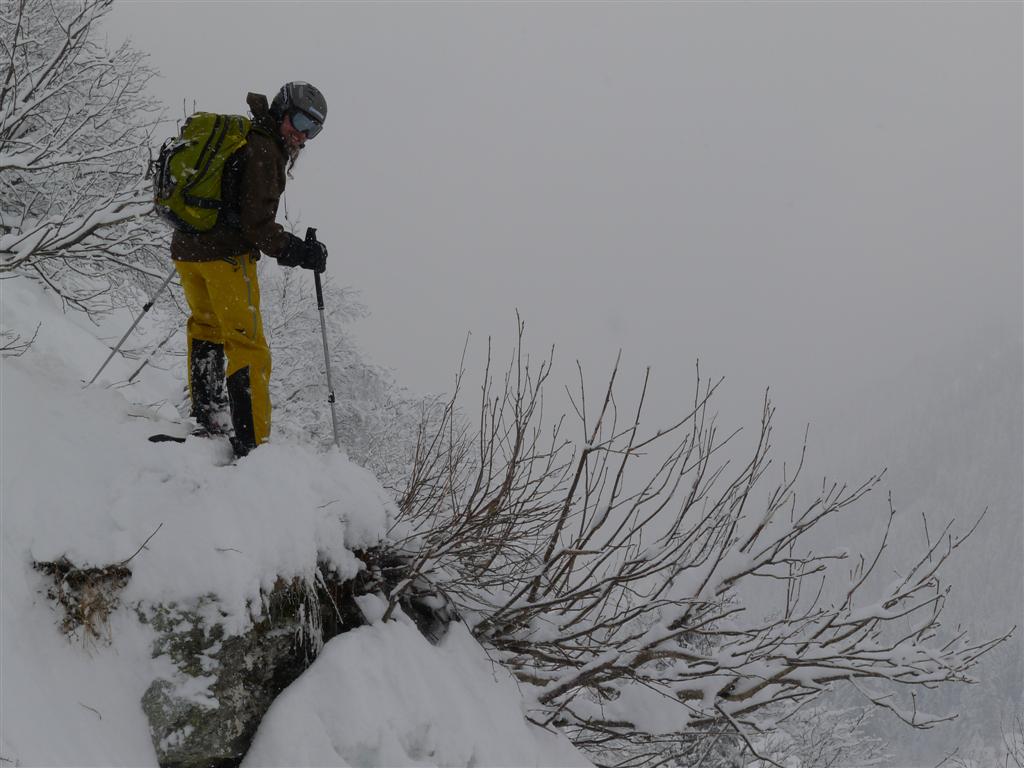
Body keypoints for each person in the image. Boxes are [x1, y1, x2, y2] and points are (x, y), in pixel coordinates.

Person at [170, 82, 329, 458]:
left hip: (188, 250)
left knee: (206, 326)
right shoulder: (265, 149)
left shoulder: (242, 136)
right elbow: (257, 226)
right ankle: (252, 444)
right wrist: (300, 251)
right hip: (225, 258)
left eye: (314, 129)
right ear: (282, 111)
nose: (303, 135)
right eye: (301, 122)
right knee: (248, 345)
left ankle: (209, 416)